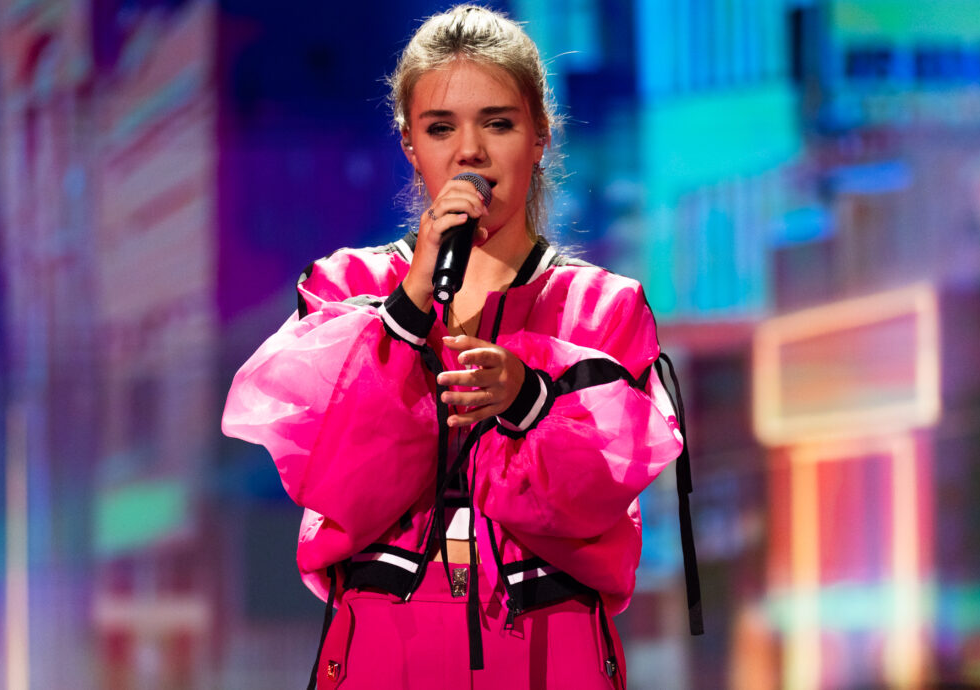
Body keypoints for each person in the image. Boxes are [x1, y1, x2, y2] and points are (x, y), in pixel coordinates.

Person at [222, 5, 700, 689]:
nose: (469, 152)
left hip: (547, 644)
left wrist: (530, 397)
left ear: (540, 135)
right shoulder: (346, 289)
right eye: (441, 128)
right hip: (385, 644)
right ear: (410, 144)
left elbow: (599, 494)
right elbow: (336, 480)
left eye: (498, 123)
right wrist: (407, 311)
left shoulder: (603, 308)